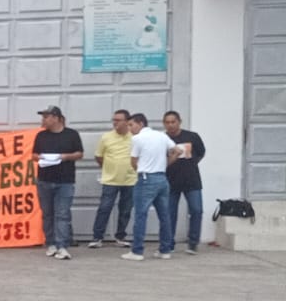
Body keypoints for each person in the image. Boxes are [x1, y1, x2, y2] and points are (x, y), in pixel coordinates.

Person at [124, 113, 181, 261]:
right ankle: (165, 250)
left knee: (140, 215)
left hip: (145, 178)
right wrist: (165, 164)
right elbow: (177, 151)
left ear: (140, 124)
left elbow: (133, 161)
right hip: (162, 178)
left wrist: (141, 169)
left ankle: (137, 251)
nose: (129, 128)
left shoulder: (137, 139)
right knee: (164, 215)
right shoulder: (161, 136)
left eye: (131, 125)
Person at [31, 106, 84, 261]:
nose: (43, 120)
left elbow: (79, 153)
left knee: (62, 214)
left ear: (56, 118)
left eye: (46, 117)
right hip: (44, 180)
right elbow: (34, 155)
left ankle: (62, 246)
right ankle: (51, 243)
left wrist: (63, 157)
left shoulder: (71, 135)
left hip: (65, 181)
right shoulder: (41, 136)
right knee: (48, 214)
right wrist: (42, 158)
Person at [88, 110, 135, 249]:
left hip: (130, 179)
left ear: (127, 122)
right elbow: (98, 156)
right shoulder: (106, 137)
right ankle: (97, 237)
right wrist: (108, 168)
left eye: (119, 120)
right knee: (104, 208)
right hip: (110, 180)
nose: (115, 122)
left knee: (125, 209)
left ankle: (120, 237)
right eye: (114, 119)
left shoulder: (135, 137)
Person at [163, 111, 207, 254]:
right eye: (167, 122)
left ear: (179, 122)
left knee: (196, 210)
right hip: (170, 181)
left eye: (173, 122)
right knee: (170, 213)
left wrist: (191, 163)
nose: (170, 125)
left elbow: (201, 152)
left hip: (191, 180)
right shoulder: (162, 139)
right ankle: (169, 243)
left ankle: (193, 243)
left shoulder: (192, 136)